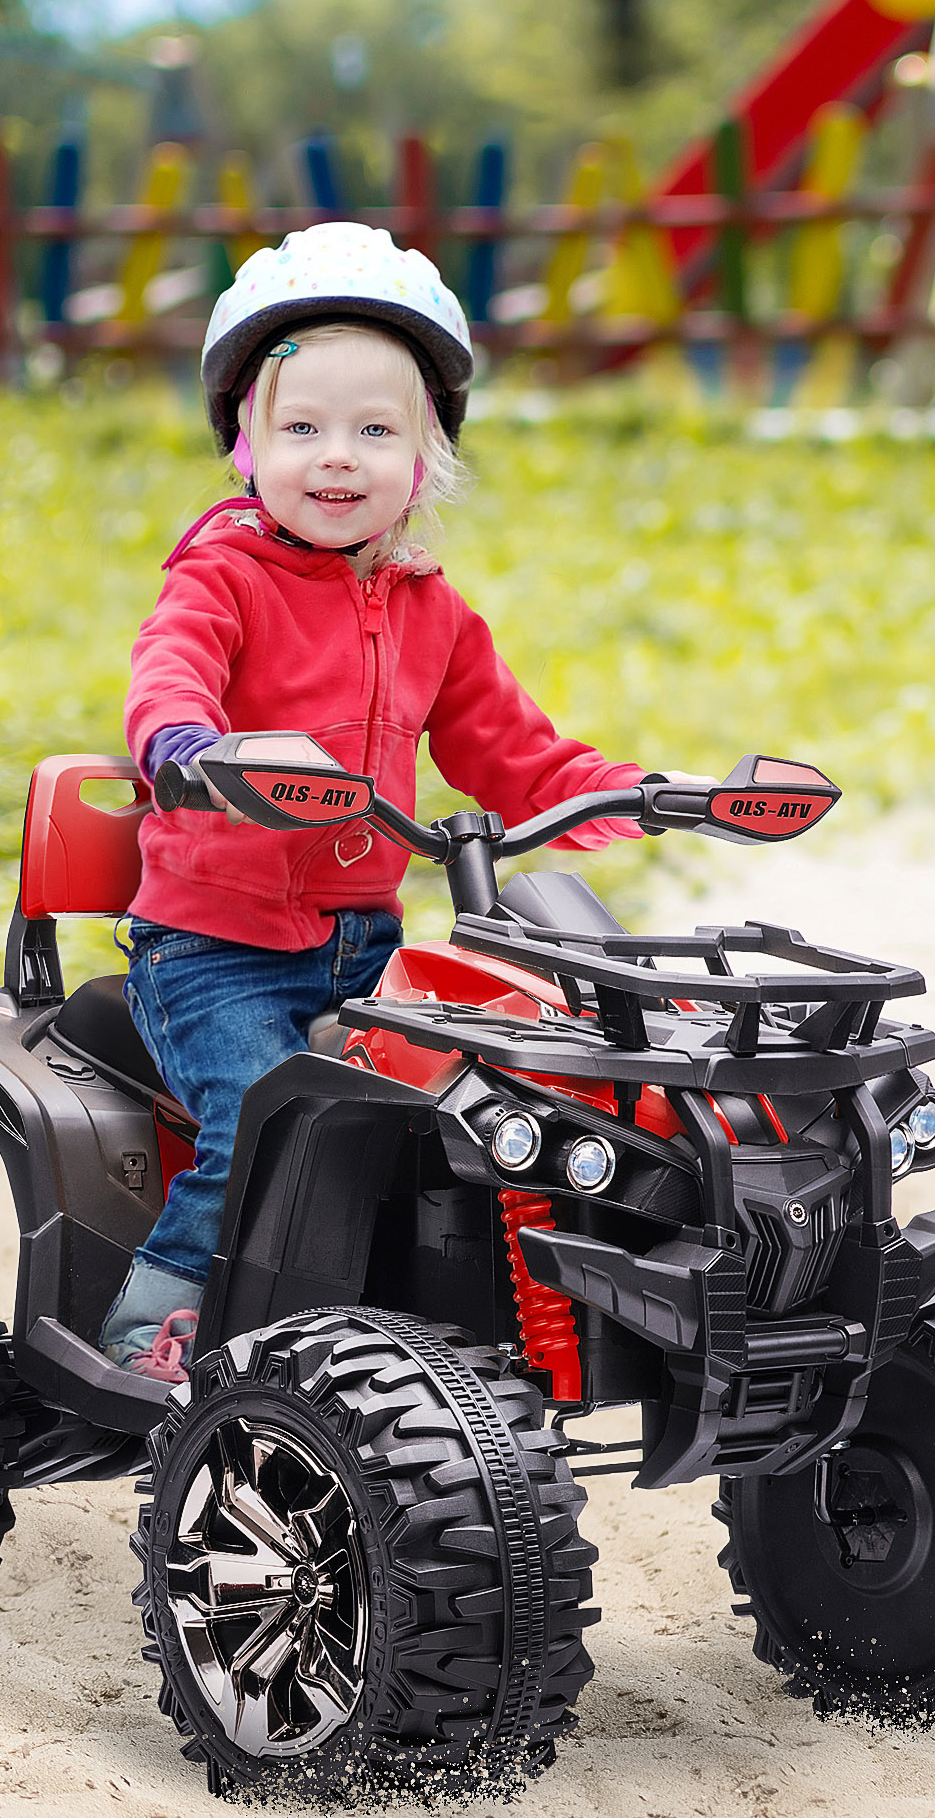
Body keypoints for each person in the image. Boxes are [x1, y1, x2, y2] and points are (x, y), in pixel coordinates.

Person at [100, 222, 653, 1380]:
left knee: (476, 1111)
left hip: (366, 943)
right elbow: (170, 672)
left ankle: (433, 1328)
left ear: (425, 454)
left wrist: (632, 796)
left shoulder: (429, 611)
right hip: (213, 947)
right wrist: (183, 743)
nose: (335, 456)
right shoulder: (221, 576)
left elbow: (517, 756)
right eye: (300, 427)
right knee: (263, 1114)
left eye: (373, 429)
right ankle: (153, 1322)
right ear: (246, 446)